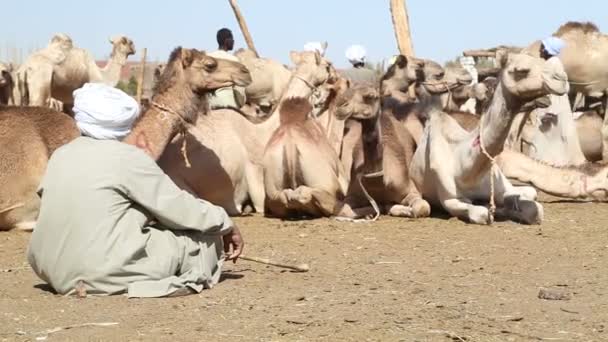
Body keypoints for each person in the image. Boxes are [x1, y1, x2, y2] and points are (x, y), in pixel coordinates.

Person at [27, 83, 244, 298]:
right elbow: (178, 207)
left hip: (49, 267)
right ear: (126, 123)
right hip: (98, 271)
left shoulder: (61, 155)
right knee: (205, 241)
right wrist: (223, 221)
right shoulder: (128, 159)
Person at [207, 28, 247, 109]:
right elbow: (239, 88)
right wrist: (241, 103)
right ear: (226, 41)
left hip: (209, 104)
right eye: (232, 39)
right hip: (228, 104)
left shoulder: (208, 58)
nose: (233, 41)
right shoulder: (233, 61)